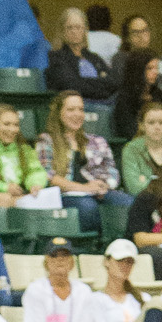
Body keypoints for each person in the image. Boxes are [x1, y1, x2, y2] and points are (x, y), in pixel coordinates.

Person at [35, 91, 132, 235]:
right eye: (71, 109)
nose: (77, 114)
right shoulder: (46, 141)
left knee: (127, 203)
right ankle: (96, 244)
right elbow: (48, 177)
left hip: (98, 192)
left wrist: (103, 185)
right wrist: (84, 188)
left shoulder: (97, 141)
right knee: (87, 208)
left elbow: (112, 172)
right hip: (66, 195)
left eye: (81, 109)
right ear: (58, 113)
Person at [22, 239, 94, 322]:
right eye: (54, 255)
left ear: (72, 262)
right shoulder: (35, 289)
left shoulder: (84, 290)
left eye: (65, 255)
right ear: (46, 262)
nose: (59, 260)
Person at [120, 101, 162, 196]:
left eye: (161, 123)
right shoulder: (131, 149)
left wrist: (148, 181)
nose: (157, 127)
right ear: (142, 126)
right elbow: (134, 188)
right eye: (151, 123)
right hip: (144, 203)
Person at [45, 7, 115, 101]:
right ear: (62, 31)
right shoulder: (56, 57)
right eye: (69, 27)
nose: (74, 31)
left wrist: (82, 80)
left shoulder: (94, 58)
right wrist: (99, 85)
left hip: (102, 105)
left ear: (85, 30)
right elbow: (71, 85)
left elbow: (111, 83)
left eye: (78, 27)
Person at [87, 238, 144, 322]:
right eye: (120, 260)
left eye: (129, 262)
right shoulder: (95, 299)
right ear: (107, 261)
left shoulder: (143, 298)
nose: (124, 265)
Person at [112, 50, 162, 144]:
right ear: (138, 70)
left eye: (156, 68)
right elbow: (130, 131)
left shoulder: (160, 95)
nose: (156, 72)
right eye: (150, 68)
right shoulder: (125, 98)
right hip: (139, 145)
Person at [109, 16, 162, 95]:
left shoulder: (160, 60)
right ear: (127, 37)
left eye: (145, 31)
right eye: (135, 32)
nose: (141, 36)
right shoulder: (120, 59)